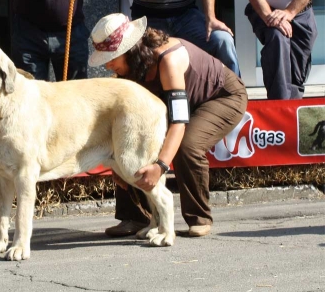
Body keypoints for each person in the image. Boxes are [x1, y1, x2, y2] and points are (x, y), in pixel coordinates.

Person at [89, 13, 247, 238]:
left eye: (112, 57)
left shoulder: (168, 61)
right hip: (185, 99)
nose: (107, 65)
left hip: (221, 97)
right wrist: (118, 167)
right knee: (129, 140)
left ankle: (198, 216)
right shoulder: (128, 69)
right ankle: (134, 217)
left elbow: (179, 121)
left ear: (130, 50)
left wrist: (160, 166)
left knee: (188, 145)